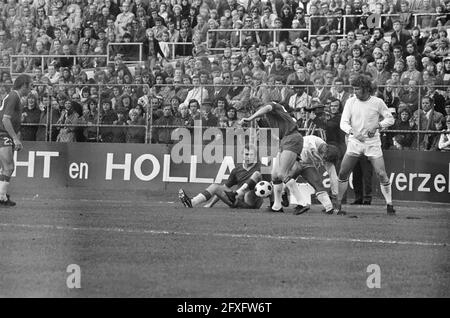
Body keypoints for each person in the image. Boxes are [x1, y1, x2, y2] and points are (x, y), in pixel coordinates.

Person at [334, 75, 396, 215]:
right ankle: (338, 204)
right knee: (343, 172)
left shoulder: (377, 102)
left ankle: (389, 204)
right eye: (354, 88)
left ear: (366, 89)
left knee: (381, 174)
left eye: (358, 88)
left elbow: (390, 119)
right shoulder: (350, 102)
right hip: (355, 142)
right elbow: (343, 123)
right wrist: (353, 132)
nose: (355, 91)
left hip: (372, 143)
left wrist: (378, 126)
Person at [234, 98, 304, 212]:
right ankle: (277, 206)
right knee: (275, 175)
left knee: (282, 174)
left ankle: (302, 203)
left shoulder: (271, 105)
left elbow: (267, 108)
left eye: (255, 110)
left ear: (257, 107)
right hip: (285, 140)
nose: (257, 114)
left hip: (292, 138)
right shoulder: (271, 117)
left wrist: (250, 118)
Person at [178, 145, 264, 209]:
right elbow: (225, 187)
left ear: (255, 156)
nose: (249, 157)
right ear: (242, 155)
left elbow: (272, 185)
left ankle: (238, 193)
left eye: (252, 154)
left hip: (252, 201)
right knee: (215, 186)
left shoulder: (261, 167)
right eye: (246, 154)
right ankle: (192, 202)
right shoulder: (236, 170)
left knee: (256, 175)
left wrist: (272, 203)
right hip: (237, 201)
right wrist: (211, 204)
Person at [284, 135, 340, 215]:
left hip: (307, 165)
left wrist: (335, 195)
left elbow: (333, 176)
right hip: (294, 160)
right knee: (286, 178)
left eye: (325, 160)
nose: (324, 160)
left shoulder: (328, 156)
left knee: (318, 183)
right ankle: (281, 196)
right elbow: (308, 145)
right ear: (325, 148)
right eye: (324, 157)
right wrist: (315, 153)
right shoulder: (314, 140)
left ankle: (329, 208)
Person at [0, 74, 32, 206]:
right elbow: (5, 119)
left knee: (5, 168)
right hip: (3, 134)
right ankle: (1, 197)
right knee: (9, 167)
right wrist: (15, 138)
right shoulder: (14, 96)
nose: (31, 88)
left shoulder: (15, 97)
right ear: (24, 85)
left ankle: (2, 196)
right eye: (30, 85)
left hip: (4, 134)